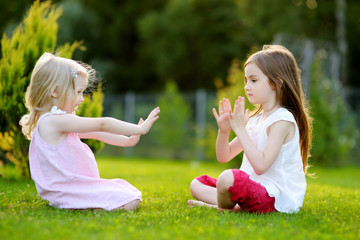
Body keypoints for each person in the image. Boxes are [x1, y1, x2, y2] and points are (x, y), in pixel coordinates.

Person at [20, 52, 160, 211]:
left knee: (126, 191)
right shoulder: (54, 121)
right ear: (55, 92)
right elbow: (102, 124)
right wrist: (139, 129)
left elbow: (97, 133)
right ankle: (93, 208)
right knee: (131, 199)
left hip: (66, 190)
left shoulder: (54, 121)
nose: (81, 99)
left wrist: (128, 140)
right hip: (66, 191)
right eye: (78, 92)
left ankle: (89, 205)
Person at [188, 45, 312, 214]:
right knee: (197, 184)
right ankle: (235, 206)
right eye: (246, 81)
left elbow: (261, 165)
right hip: (251, 190)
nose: (246, 86)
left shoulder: (282, 121)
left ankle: (226, 208)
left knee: (227, 179)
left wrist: (239, 128)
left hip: (273, 196)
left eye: (253, 80)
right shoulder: (255, 120)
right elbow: (224, 156)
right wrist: (224, 131)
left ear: (277, 83)